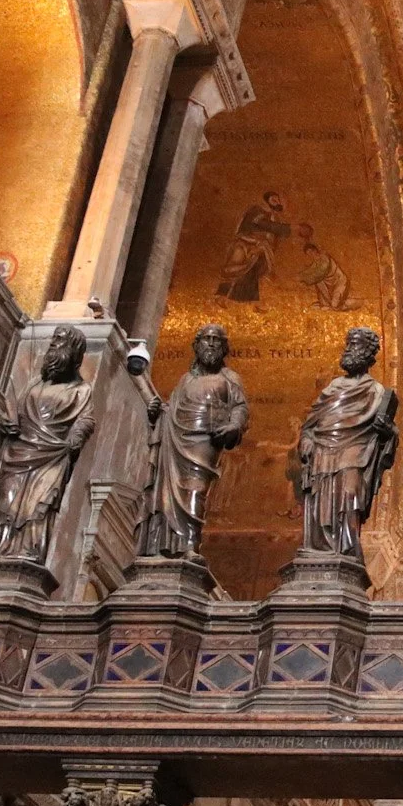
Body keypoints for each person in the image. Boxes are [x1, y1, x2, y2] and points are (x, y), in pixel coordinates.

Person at [0, 325, 96, 562]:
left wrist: (75, 438)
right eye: (53, 342)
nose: (55, 347)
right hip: (19, 453)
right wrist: (5, 424)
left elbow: (86, 419)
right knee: (7, 505)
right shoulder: (35, 384)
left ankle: (28, 555)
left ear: (75, 354)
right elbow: (12, 414)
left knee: (39, 506)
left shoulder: (81, 390)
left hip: (53, 455)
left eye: (62, 343)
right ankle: (0, 553)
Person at [140, 324, 250, 559]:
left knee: (196, 487)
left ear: (224, 348)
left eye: (216, 340)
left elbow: (240, 407)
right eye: (206, 339)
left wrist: (233, 426)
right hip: (177, 437)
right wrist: (157, 412)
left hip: (205, 438)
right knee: (167, 492)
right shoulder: (185, 379)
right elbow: (172, 408)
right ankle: (165, 545)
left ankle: (190, 544)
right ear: (196, 345)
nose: (211, 344)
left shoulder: (229, 378)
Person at [297, 328, 399, 559]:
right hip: (323, 449)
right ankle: (320, 549)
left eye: (356, 345)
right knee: (321, 499)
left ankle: (347, 549)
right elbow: (311, 423)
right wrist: (306, 440)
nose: (350, 350)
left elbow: (388, 434)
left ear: (369, 354)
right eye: (349, 345)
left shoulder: (376, 392)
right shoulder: (331, 389)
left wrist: (388, 432)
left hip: (356, 449)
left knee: (351, 492)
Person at [217, 191, 291, 302]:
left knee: (253, 271)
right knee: (234, 267)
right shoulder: (257, 211)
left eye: (277, 200)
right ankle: (221, 296)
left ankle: (245, 298)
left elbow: (276, 233)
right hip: (245, 242)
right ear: (267, 201)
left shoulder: (274, 216)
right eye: (273, 200)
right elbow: (262, 225)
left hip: (259, 246)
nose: (276, 202)